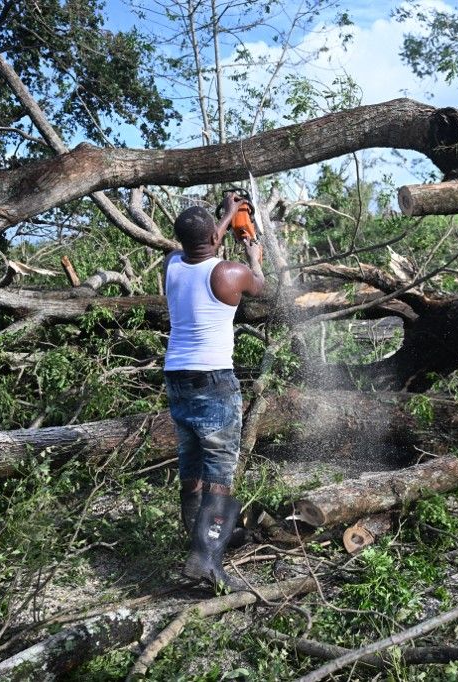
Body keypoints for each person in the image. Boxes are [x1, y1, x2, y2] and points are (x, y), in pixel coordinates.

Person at [163, 193, 264, 590]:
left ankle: (197, 541)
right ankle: (206, 562)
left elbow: (203, 242)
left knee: (191, 466)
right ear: (215, 238)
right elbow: (262, 286)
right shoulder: (230, 273)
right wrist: (253, 252)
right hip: (213, 380)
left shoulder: (172, 264)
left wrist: (225, 216)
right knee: (220, 469)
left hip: (176, 377)